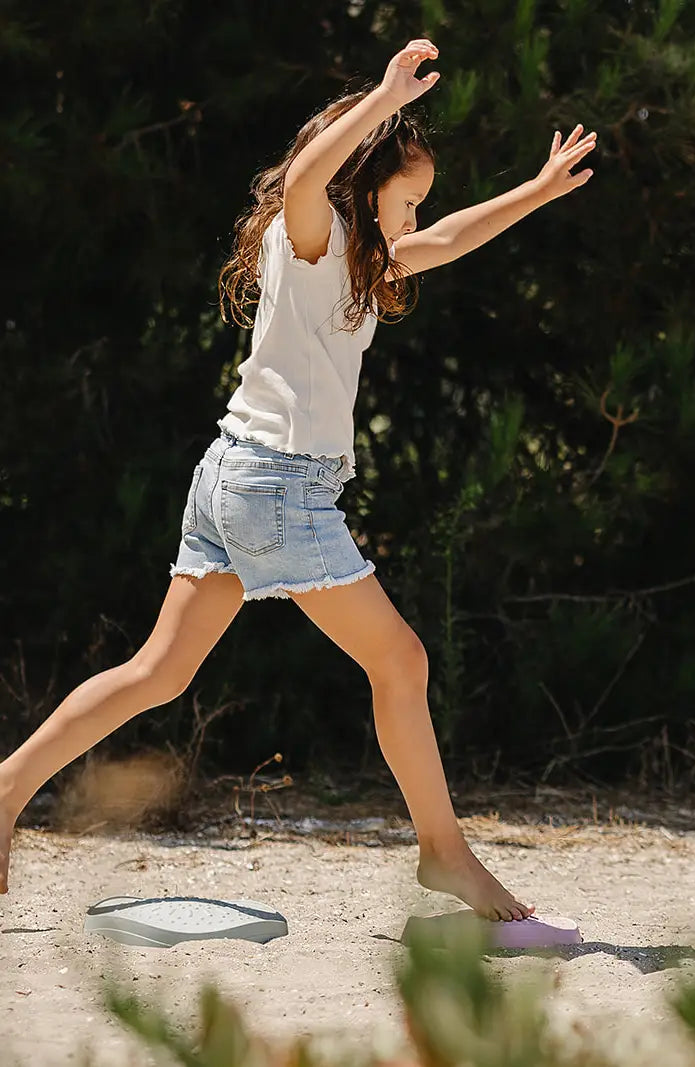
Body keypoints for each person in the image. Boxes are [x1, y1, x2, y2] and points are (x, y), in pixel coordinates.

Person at [0, 39, 597, 920]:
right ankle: (445, 854)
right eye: (406, 199)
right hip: (275, 485)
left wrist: (536, 192)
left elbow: (448, 238)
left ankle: (6, 785)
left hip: (235, 475)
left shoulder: (362, 254)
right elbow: (303, 180)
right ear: (364, 182)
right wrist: (384, 97)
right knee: (400, 659)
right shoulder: (312, 235)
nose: (413, 220)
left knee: (158, 672)